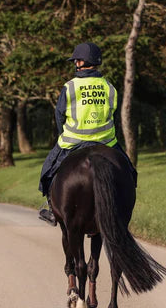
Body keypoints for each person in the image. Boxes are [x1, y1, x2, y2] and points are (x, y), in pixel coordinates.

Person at [38, 42, 137, 225]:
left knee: (47, 172)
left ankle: (52, 208)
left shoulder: (70, 87)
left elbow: (59, 115)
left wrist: (63, 134)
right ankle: (125, 208)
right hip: (106, 142)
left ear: (82, 62)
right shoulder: (109, 87)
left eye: (76, 60)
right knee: (130, 172)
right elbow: (112, 113)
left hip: (73, 141)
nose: (75, 63)